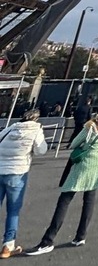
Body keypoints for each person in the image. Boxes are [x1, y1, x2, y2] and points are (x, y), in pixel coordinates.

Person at [26, 100, 98, 255]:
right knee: (89, 199)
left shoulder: (91, 126)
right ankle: (81, 236)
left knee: (65, 199)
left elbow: (74, 143)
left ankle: (48, 240)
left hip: (85, 165)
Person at [0, 109, 48, 257]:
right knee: (13, 211)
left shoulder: (11, 128)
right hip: (18, 172)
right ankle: (8, 246)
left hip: (0, 168)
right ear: (36, 119)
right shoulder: (36, 130)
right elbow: (41, 150)